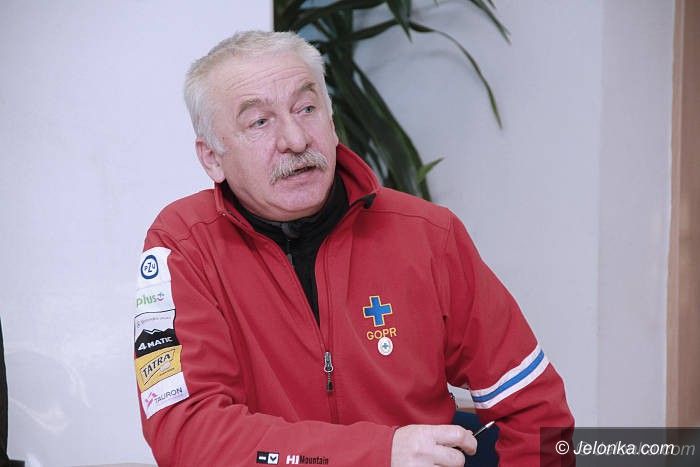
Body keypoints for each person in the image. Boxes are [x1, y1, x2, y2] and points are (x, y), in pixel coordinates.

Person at [133, 30, 574, 466]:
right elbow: (187, 432)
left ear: (331, 121)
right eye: (260, 122)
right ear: (212, 157)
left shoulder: (428, 234)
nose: (296, 140)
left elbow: (535, 408)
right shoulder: (182, 245)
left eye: (307, 109)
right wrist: (379, 453)